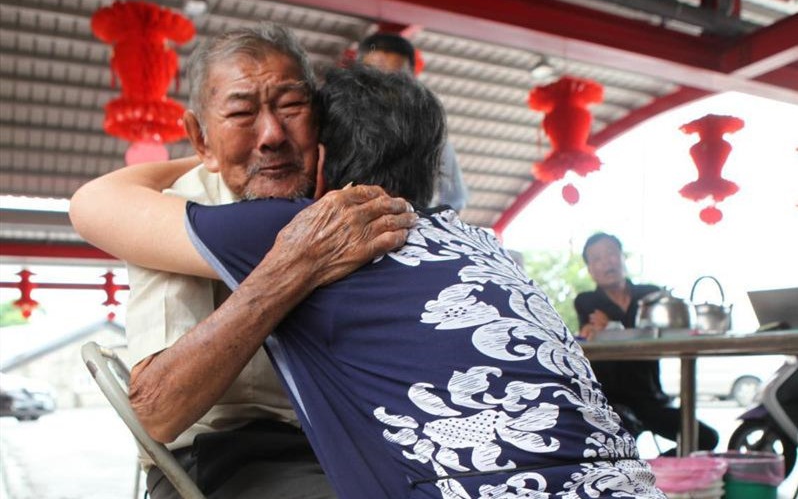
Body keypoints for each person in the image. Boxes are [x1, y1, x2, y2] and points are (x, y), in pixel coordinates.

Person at [75, 64, 666, 498]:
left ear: (322, 162)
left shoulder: (302, 227)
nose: (272, 138)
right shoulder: (483, 242)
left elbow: (96, 203)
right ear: (434, 164)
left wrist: (214, 153)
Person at [71, 24, 417, 499]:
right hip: (231, 453)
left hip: (355, 440)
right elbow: (160, 411)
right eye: (240, 113)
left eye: (292, 107)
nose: (273, 134)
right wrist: (293, 266)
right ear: (200, 138)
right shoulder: (175, 212)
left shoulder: (352, 192)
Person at [574, 232, 719, 454]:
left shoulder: (651, 294)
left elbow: (663, 332)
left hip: (650, 399)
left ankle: (658, 473)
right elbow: (600, 332)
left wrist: (613, 326)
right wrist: (630, 328)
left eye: (611, 254)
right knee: (616, 448)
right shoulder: (586, 300)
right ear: (591, 270)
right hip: (610, 400)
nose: (607, 263)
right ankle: (639, 478)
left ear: (623, 257)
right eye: (597, 259)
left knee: (706, 438)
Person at [358, 32, 469, 212]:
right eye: (373, 78)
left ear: (412, 82)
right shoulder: (333, 128)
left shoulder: (433, 140)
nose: (383, 89)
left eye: (395, 80)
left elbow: (454, 201)